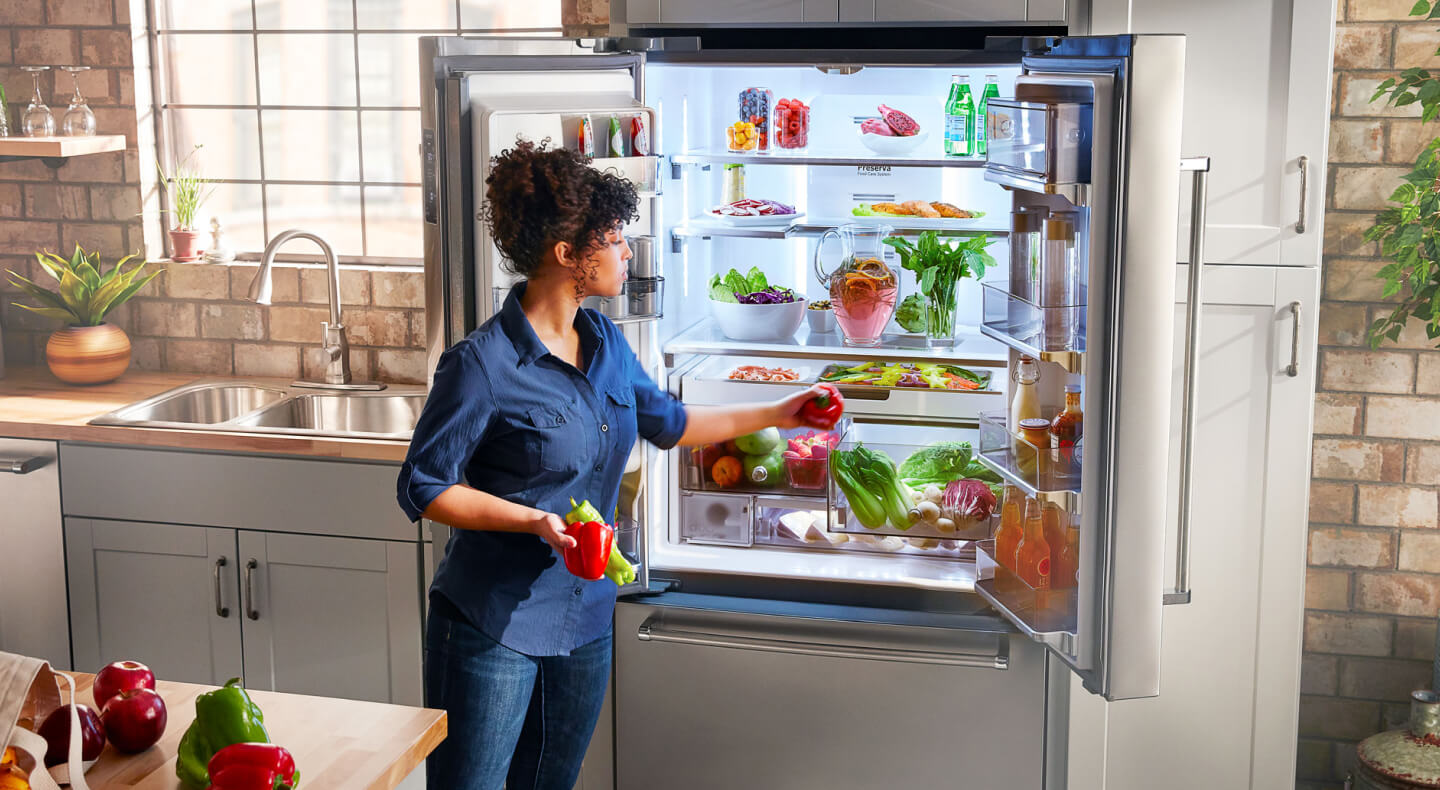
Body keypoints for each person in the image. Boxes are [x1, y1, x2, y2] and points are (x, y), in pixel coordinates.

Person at [396, 140, 837, 790]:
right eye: (614, 239)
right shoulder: (482, 364)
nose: (628, 252)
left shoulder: (604, 343)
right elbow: (425, 486)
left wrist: (783, 411)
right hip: (493, 627)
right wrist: (534, 521)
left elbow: (674, 424)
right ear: (567, 254)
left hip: (584, 619)